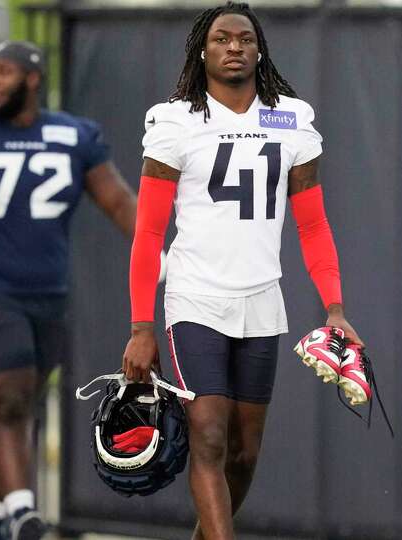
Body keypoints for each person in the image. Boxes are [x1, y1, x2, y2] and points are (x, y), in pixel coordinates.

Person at [121, 2, 368, 539]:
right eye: (221, 38)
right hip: (194, 299)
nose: (234, 46)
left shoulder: (291, 119)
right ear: (201, 50)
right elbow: (147, 234)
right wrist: (143, 326)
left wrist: (336, 308)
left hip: (260, 300)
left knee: (243, 452)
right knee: (207, 437)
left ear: (260, 50)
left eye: (244, 39)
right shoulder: (176, 121)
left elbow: (313, 226)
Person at [0, 40, 139, 540]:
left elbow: (118, 200)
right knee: (9, 399)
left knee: (21, 406)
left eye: (4, 72)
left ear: (32, 79)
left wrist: (160, 252)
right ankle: (23, 516)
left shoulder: (72, 135)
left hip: (48, 291)